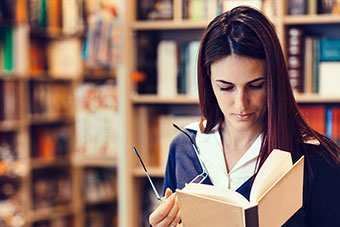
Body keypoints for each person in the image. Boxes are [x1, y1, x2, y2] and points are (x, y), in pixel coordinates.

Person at [149, 6, 340, 227]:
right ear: (208, 81)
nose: (241, 103)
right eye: (226, 87)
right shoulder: (185, 148)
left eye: (255, 85)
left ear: (274, 80)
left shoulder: (317, 159)